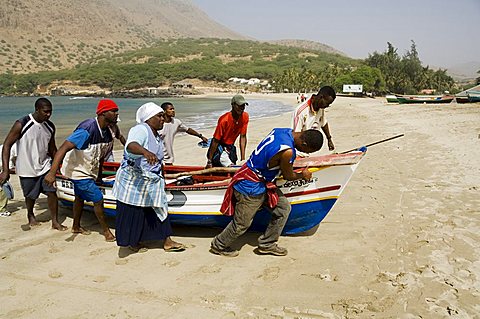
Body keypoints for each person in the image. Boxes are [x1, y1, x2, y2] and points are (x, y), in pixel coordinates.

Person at [210, 128, 324, 257]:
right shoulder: (287, 152)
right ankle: (218, 245)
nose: (305, 153)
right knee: (242, 224)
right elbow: (288, 176)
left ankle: (267, 244)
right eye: (308, 151)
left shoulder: (282, 131)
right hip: (250, 186)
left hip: (259, 179)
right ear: (304, 144)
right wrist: (303, 175)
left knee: (283, 209)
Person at [112, 102, 185, 253]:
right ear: (149, 118)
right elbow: (131, 145)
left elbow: (159, 160)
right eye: (159, 116)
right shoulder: (140, 129)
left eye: (162, 116)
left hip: (151, 179)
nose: (162, 119)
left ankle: (167, 240)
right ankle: (133, 242)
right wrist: (145, 152)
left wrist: (162, 176)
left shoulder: (157, 136)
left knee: (159, 208)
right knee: (134, 211)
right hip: (133, 180)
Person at [44, 99, 119, 241]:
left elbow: (102, 154)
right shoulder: (87, 130)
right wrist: (52, 173)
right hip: (77, 170)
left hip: (89, 169)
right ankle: (106, 232)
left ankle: (76, 226)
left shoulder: (108, 130)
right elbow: (63, 149)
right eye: (113, 111)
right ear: (103, 113)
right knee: (98, 199)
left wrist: (99, 175)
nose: (116, 114)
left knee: (79, 197)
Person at [0, 98, 66, 230]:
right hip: (27, 168)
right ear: (37, 110)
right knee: (30, 196)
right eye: (45, 112)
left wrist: (59, 166)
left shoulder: (50, 126)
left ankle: (55, 221)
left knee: (52, 192)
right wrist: (5, 170)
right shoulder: (22, 123)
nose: (48, 114)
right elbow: (7, 145)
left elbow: (52, 148)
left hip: (45, 166)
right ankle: (30, 215)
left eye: (50, 112)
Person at [205, 94, 249, 168]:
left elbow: (243, 137)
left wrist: (243, 159)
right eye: (239, 106)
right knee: (228, 166)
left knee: (234, 165)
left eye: (243, 106)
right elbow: (215, 140)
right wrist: (209, 161)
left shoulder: (245, 116)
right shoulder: (224, 120)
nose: (242, 108)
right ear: (233, 105)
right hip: (219, 148)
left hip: (230, 147)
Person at [292, 86, 336, 151]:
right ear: (321, 97)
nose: (327, 106)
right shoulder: (301, 111)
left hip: (310, 148)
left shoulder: (321, 108)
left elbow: (323, 123)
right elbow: (295, 135)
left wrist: (329, 139)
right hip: (301, 148)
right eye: (327, 103)